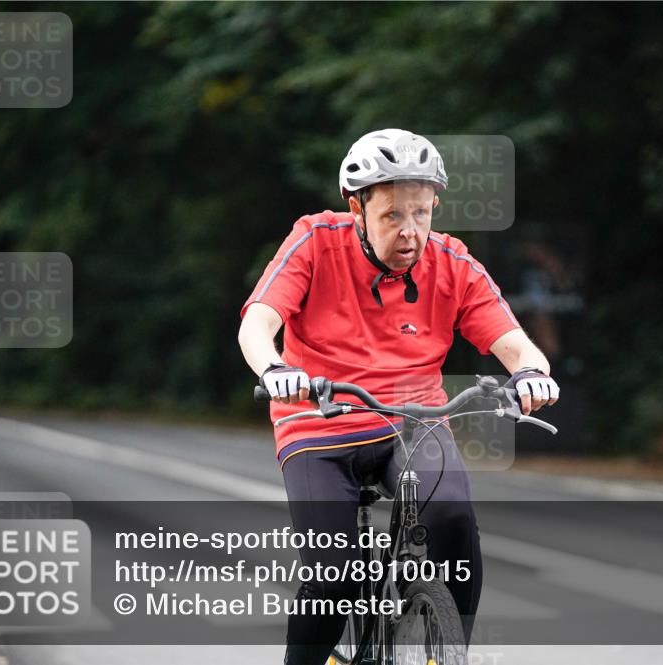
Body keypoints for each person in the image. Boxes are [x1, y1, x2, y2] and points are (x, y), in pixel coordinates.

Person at [237, 129, 560, 664]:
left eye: (421, 213)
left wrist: (530, 374)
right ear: (357, 208)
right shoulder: (315, 241)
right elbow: (259, 322)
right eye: (392, 216)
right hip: (320, 422)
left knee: (454, 520)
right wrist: (274, 367)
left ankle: (449, 650)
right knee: (333, 576)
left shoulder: (452, 263)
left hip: (412, 424)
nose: (410, 232)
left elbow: (517, 345)